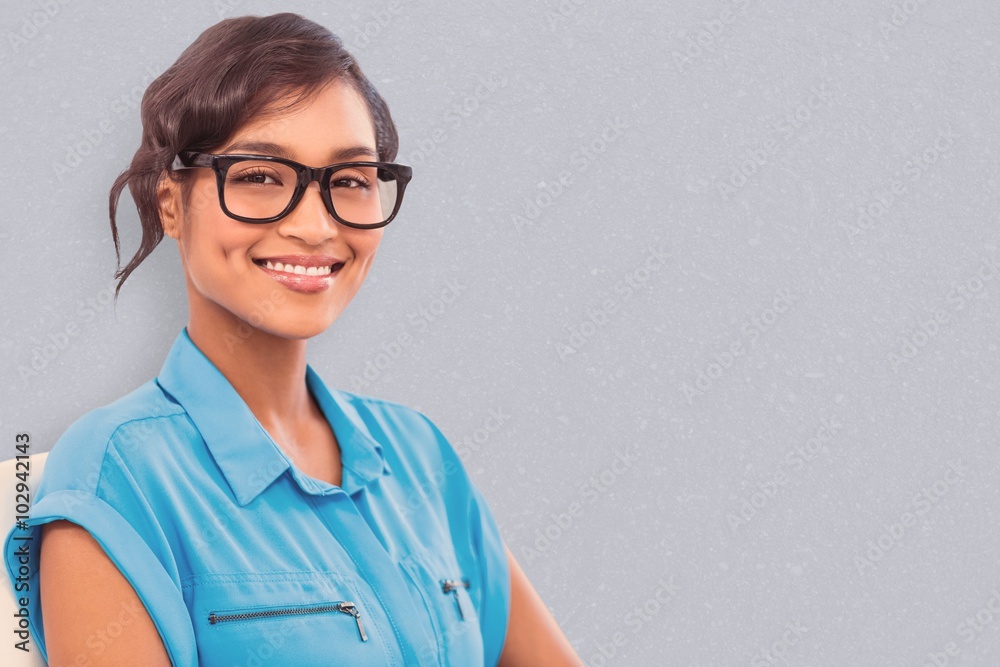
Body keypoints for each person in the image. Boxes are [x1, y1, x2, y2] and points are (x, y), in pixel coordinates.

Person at [3, 12, 581, 667]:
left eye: (351, 181)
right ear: (171, 202)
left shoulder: (419, 455)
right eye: (259, 176)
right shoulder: (118, 476)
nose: (314, 225)